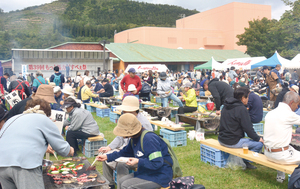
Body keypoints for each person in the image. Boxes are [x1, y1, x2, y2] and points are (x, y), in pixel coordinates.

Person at [0, 99, 74, 188]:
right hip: (24, 164)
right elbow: (62, 148)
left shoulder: (12, 119)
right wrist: (70, 150)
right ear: (47, 113)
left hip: (2, 164)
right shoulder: (43, 119)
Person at [97, 113, 172, 189]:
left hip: (160, 175)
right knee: (122, 180)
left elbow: (157, 163)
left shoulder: (149, 139)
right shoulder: (134, 139)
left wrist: (138, 161)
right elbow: (124, 152)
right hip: (146, 172)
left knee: (126, 185)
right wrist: (107, 156)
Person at [98, 96, 153, 189]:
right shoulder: (126, 118)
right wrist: (109, 148)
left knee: (122, 164)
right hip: (128, 150)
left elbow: (149, 152)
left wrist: (137, 159)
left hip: (139, 155)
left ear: (134, 110)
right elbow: (120, 137)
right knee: (106, 157)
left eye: (125, 110)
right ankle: (109, 185)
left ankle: (122, 186)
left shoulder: (144, 124)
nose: (123, 112)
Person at [218, 87, 264, 169]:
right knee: (259, 144)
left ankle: (244, 160)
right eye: (247, 97)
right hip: (232, 141)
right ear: (243, 98)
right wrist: (258, 138)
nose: (248, 99)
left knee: (248, 140)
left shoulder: (225, 106)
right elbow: (248, 129)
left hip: (221, 139)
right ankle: (246, 161)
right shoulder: (241, 109)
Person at [264, 91, 300, 183]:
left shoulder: (271, 113)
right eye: (297, 105)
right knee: (286, 149)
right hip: (280, 156)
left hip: (267, 153)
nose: (297, 107)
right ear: (291, 103)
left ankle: (280, 176)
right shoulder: (289, 114)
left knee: (287, 147)